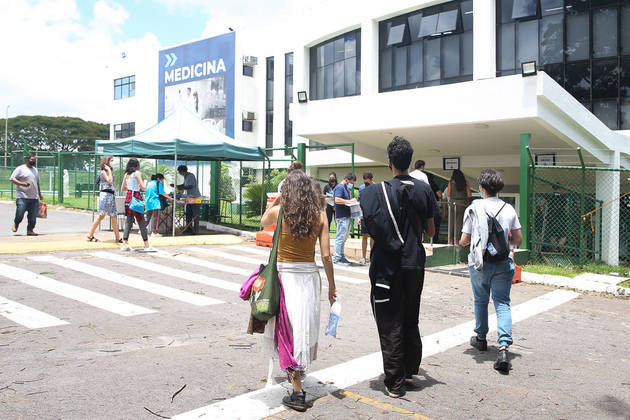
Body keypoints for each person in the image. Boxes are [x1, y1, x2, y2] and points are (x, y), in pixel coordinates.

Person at [361, 136, 435, 398]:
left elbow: (369, 230)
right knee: (409, 317)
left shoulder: (376, 193)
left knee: (389, 321)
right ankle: (407, 370)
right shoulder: (424, 189)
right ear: (410, 160)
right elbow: (430, 230)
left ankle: (394, 383)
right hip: (415, 262)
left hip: (388, 267)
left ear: (390, 162)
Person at [260, 170, 336, 412]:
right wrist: (332, 287)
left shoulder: (279, 212)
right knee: (301, 329)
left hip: (284, 277)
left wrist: (278, 200)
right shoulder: (320, 216)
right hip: (309, 279)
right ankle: (298, 377)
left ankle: (297, 391)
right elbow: (325, 255)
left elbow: (263, 222)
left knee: (286, 331)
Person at [459, 169, 522, 373]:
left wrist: (463, 244)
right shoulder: (509, 208)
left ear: (482, 188)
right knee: (502, 303)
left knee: (481, 300)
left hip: (480, 264)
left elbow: (465, 239)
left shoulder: (474, 208)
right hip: (503, 263)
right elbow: (517, 240)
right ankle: (503, 347)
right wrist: (502, 242)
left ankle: (481, 338)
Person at [120, 159, 155, 252]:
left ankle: (125, 244)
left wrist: (130, 188)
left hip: (128, 199)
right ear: (137, 165)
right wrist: (145, 183)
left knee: (128, 221)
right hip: (136, 198)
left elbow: (122, 188)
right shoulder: (137, 173)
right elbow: (143, 187)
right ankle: (146, 245)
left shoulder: (126, 175)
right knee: (141, 221)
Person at [87, 156, 122, 243]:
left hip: (110, 195)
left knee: (114, 216)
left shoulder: (108, 172)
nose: (113, 162)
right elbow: (110, 181)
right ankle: (90, 235)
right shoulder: (103, 172)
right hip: (105, 195)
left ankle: (118, 237)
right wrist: (109, 171)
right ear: (107, 162)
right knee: (101, 216)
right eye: (111, 161)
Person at [10, 154, 43, 236]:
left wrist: (40, 194)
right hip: (22, 197)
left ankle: (30, 230)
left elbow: (37, 183)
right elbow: (12, 179)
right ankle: (16, 223)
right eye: (32, 160)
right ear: (27, 160)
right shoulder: (20, 169)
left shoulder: (35, 170)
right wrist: (22, 184)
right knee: (20, 213)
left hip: (34, 197)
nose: (33, 161)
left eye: (34, 160)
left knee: (33, 217)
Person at [332, 172, 357, 266]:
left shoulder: (346, 188)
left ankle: (341, 256)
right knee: (340, 238)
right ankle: (337, 258)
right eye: (351, 182)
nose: (351, 184)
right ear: (346, 180)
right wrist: (350, 201)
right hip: (342, 217)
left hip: (346, 216)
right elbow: (337, 200)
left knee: (343, 238)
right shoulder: (340, 187)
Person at [447, 169, 471, 245]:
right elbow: (469, 194)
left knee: (451, 223)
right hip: (462, 204)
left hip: (453, 204)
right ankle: (457, 242)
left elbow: (448, 194)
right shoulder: (465, 183)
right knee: (459, 223)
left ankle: (450, 242)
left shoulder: (451, 183)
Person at [176, 165, 201, 234]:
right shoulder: (185, 177)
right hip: (189, 198)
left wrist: (182, 188)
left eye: (180, 172)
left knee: (195, 215)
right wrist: (177, 186)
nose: (180, 174)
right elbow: (184, 184)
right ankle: (188, 229)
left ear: (183, 171)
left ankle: (196, 230)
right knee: (188, 214)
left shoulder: (191, 176)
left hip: (195, 198)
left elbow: (191, 186)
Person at [358, 172, 375, 265]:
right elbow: (360, 203)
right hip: (364, 216)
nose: (366, 184)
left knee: (373, 237)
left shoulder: (376, 187)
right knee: (364, 236)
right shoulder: (361, 188)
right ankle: (363, 257)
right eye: (365, 182)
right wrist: (359, 216)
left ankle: (372, 257)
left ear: (371, 180)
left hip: (373, 216)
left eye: (367, 182)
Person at [427, 172, 443, 244]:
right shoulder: (433, 184)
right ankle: (434, 240)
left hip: (426, 206)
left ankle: (426, 240)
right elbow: (440, 194)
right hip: (434, 206)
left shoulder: (424, 184)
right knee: (435, 224)